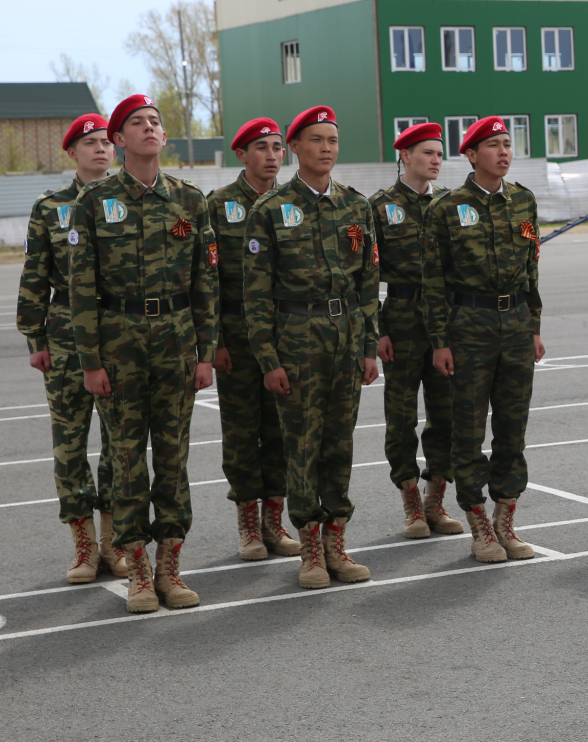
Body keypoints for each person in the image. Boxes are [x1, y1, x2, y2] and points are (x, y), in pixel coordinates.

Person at [69, 94, 218, 613]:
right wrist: (90, 361)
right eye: (138, 122)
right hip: (119, 342)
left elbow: (206, 282)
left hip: (177, 341)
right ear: (118, 138)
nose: (150, 128)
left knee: (174, 460)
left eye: (156, 121)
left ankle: (172, 567)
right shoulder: (92, 203)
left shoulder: (190, 200)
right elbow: (80, 289)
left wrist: (206, 353)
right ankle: (137, 568)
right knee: (128, 461)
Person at [243, 105, 380, 590]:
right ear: (295, 148)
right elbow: (255, 296)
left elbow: (368, 281)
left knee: (338, 446)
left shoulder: (356, 207)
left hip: (345, 338)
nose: (326, 148)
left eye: (333, 140)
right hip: (296, 339)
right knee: (301, 446)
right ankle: (310, 549)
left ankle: (336, 540)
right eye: (316, 140)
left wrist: (368, 347)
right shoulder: (270, 210)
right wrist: (268, 360)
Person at [421, 116, 544, 563]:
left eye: (507, 144)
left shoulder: (524, 201)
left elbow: (531, 270)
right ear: (471, 155)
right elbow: (432, 280)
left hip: (514, 323)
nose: (504, 152)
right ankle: (477, 523)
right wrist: (440, 341)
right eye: (493, 145)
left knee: (513, 429)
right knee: (468, 431)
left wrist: (533, 326)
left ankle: (505, 520)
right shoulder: (446, 208)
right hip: (468, 326)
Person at [17, 113, 124, 583]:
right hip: (63, 336)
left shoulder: (127, 198)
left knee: (120, 443)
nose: (101, 149)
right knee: (70, 443)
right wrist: (35, 336)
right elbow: (35, 274)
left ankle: (113, 539)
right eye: (90, 143)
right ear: (72, 153)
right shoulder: (50, 205)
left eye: (106, 142)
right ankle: (82, 544)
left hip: (120, 331)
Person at [207, 118, 300, 561]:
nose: (271, 155)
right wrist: (216, 342)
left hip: (287, 336)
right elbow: (208, 280)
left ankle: (273, 521)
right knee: (243, 431)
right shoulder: (219, 205)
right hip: (239, 339)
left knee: (280, 429)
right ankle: (247, 523)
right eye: (261, 147)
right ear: (241, 155)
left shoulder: (292, 203)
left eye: (278, 148)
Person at [370, 123, 462, 539]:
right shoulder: (379, 206)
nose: (436, 160)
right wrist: (378, 330)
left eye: (439, 154)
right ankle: (410, 503)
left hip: (446, 321)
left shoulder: (452, 203)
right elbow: (366, 275)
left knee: (446, 415)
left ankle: (435, 500)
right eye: (427, 153)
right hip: (403, 318)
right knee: (401, 416)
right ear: (405, 156)